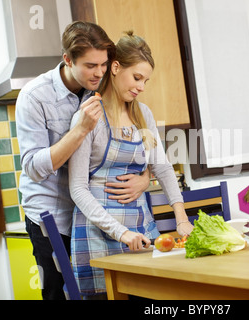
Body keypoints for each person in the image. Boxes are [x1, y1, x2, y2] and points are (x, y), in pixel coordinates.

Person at [15, 22, 150, 300]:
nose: (99, 72)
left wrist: (146, 178)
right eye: (90, 65)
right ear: (67, 59)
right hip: (52, 216)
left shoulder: (101, 88)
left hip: (91, 217)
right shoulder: (34, 97)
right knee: (59, 294)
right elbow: (32, 168)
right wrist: (80, 130)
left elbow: (135, 144)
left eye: (104, 64)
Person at [68, 31, 194, 298]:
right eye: (137, 77)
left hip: (141, 227)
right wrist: (121, 233)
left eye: (146, 81)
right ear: (115, 67)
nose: (141, 87)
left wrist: (181, 219)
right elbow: (78, 188)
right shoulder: (89, 116)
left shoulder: (142, 114)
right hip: (98, 233)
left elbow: (161, 167)